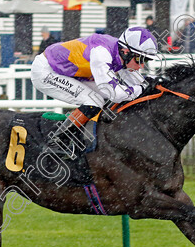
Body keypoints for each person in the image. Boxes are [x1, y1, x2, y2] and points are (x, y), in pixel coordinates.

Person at [31, 27, 158, 155]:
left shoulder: (121, 53)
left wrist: (153, 83)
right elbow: (115, 94)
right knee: (94, 100)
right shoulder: (101, 53)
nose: (142, 66)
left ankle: (86, 129)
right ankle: (56, 141)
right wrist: (141, 88)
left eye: (145, 61)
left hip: (69, 73)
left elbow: (139, 84)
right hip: (46, 72)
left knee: (105, 97)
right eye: (140, 60)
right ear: (126, 52)